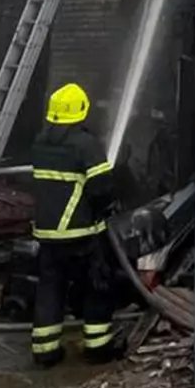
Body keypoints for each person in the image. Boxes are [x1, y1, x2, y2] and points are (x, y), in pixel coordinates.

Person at [28, 82, 124, 368]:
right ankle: (98, 348)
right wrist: (106, 208)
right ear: (81, 111)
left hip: (47, 234)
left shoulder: (40, 143)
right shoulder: (85, 145)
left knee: (50, 288)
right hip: (82, 233)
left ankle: (45, 351)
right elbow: (101, 188)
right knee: (96, 286)